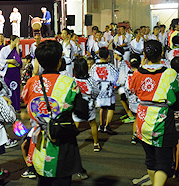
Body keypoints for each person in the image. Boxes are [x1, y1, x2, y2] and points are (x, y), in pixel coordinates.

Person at [22, 40, 90, 185]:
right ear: (59, 62)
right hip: (63, 140)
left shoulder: (31, 83)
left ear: (39, 63)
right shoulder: (69, 83)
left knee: (43, 180)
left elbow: (26, 104)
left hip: (40, 141)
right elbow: (82, 112)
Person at [130, 40, 179, 186]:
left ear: (144, 54)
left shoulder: (136, 73)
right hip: (162, 120)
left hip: (143, 119)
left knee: (151, 159)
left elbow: (133, 91)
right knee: (164, 162)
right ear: (162, 54)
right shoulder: (169, 73)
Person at [73, 57, 101, 152]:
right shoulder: (91, 80)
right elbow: (96, 91)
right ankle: (96, 144)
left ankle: (73, 145)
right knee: (93, 124)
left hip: (77, 106)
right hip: (89, 105)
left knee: (76, 125)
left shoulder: (73, 81)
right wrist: (92, 99)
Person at [90, 47, 119, 135]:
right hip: (108, 89)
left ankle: (101, 125)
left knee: (102, 107)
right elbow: (115, 77)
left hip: (99, 89)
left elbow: (91, 77)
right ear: (108, 56)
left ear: (99, 55)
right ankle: (107, 126)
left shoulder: (94, 66)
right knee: (110, 107)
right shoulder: (110, 66)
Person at [0, 35, 22, 111]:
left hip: (15, 72)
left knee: (16, 88)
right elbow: (0, 60)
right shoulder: (4, 49)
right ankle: (7, 107)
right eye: (17, 40)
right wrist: (9, 61)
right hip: (7, 72)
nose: (18, 42)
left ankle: (16, 107)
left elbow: (19, 62)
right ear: (12, 40)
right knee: (7, 89)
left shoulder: (18, 50)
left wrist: (16, 48)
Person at [114, 47, 135, 124]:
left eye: (114, 54)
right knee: (124, 99)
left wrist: (117, 83)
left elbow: (122, 76)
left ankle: (130, 115)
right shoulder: (123, 62)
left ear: (117, 54)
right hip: (125, 84)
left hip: (125, 85)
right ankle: (129, 112)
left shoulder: (123, 63)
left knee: (123, 99)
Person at [124, 54, 141, 145]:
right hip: (140, 99)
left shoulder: (129, 74)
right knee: (140, 118)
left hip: (132, 100)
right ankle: (136, 135)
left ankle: (134, 135)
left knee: (137, 117)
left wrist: (129, 97)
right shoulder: (141, 74)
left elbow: (126, 88)